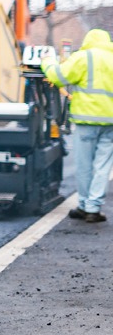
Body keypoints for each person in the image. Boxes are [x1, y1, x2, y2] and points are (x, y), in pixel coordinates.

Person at [42, 28, 113, 223]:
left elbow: (58, 76)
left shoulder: (84, 57)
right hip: (110, 122)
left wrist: (47, 61)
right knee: (103, 166)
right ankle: (94, 207)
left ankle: (84, 205)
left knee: (85, 165)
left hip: (86, 120)